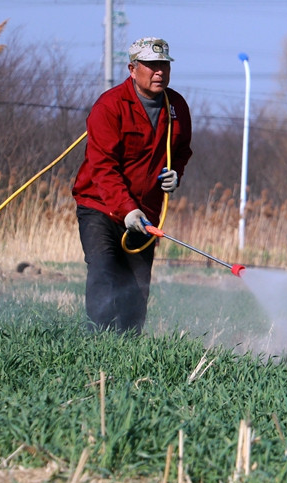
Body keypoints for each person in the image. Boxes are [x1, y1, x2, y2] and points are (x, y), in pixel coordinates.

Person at [72, 37, 193, 333]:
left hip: (146, 212)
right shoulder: (109, 106)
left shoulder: (177, 107)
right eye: (151, 65)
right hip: (100, 206)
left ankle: (129, 346)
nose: (159, 72)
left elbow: (181, 151)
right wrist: (126, 209)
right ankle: (97, 342)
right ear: (132, 69)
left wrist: (175, 173)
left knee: (137, 287)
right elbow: (103, 167)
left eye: (164, 65)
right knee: (103, 272)